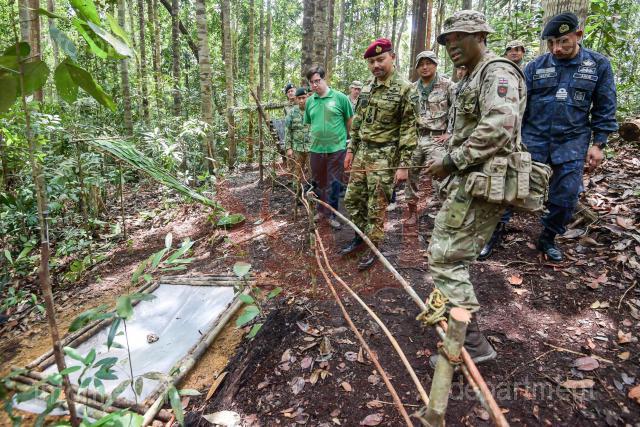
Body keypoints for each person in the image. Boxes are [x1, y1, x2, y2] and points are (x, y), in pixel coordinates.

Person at [425, 10, 526, 366]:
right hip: (471, 179)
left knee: (446, 257)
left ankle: (469, 343)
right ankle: (453, 317)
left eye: (460, 38)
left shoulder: (497, 72)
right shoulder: (470, 77)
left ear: (480, 37)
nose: (452, 46)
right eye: (447, 41)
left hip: (485, 180)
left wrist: (452, 161)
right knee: (450, 252)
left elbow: (499, 127)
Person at [480, 13, 618, 262]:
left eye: (563, 41)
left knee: (566, 196)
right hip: (534, 137)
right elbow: (518, 106)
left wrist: (599, 144)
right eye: (551, 43)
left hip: (572, 140)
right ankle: (494, 233)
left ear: (578, 35)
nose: (556, 49)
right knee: (511, 187)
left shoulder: (598, 65)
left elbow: (605, 106)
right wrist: (509, 138)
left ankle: (548, 237)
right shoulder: (535, 66)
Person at [341, 38, 417, 270]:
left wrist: (404, 165)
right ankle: (360, 237)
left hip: (385, 155)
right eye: (371, 61)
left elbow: (409, 130)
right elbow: (358, 122)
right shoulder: (367, 87)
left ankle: (374, 247)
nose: (376, 65)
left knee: (376, 205)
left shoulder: (405, 89)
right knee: (353, 199)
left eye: (380, 59)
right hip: (362, 152)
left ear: (392, 57)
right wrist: (351, 149)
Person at [405, 50, 453, 225]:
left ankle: (445, 216)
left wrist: (450, 132)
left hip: (437, 138)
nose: (425, 67)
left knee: (442, 177)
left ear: (435, 64)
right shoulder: (411, 89)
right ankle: (412, 213)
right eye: (421, 64)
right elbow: (407, 115)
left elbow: (457, 110)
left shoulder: (448, 85)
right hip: (416, 138)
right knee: (411, 176)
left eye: (428, 63)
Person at [304, 65, 354, 229]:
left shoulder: (340, 98)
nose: (315, 85)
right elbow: (310, 123)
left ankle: (332, 214)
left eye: (317, 81)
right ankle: (320, 211)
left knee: (333, 183)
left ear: (324, 79)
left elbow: (349, 121)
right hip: (316, 149)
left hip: (336, 148)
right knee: (318, 182)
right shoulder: (310, 101)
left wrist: (350, 144)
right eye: (312, 82)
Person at [285, 87, 311, 198]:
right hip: (297, 148)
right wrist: (288, 148)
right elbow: (288, 131)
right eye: (299, 98)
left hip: (311, 148)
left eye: (303, 98)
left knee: (313, 174)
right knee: (297, 174)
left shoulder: (313, 111)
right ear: (296, 99)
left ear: (307, 97)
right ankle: (298, 197)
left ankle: (311, 198)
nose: (301, 100)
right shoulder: (291, 113)